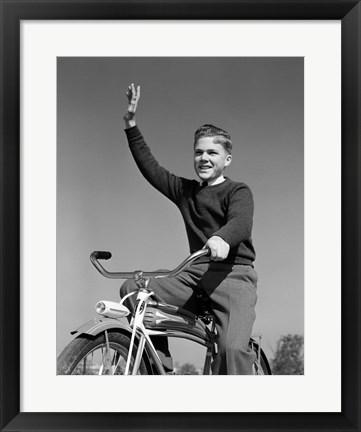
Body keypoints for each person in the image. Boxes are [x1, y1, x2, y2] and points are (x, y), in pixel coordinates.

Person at [120, 83, 258, 375]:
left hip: (233, 275)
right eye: (198, 152)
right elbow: (152, 168)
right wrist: (131, 125)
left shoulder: (238, 191)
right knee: (135, 290)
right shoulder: (187, 191)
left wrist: (222, 238)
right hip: (195, 275)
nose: (204, 158)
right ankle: (160, 371)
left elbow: (241, 223)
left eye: (212, 152)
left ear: (226, 159)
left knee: (231, 350)